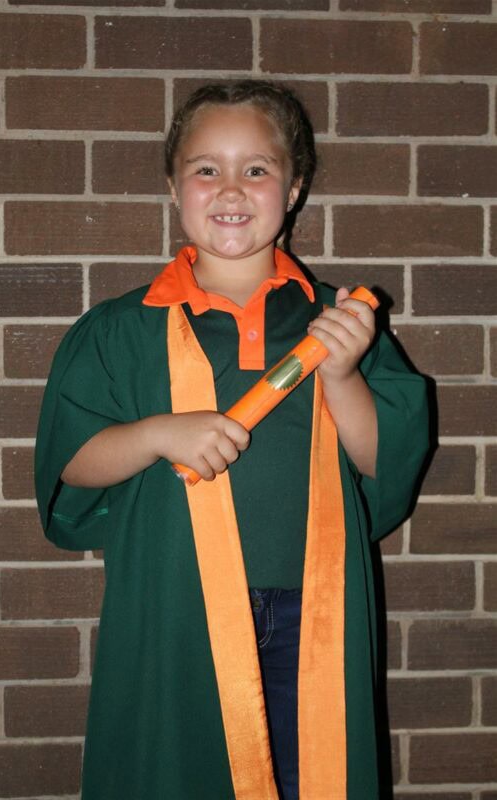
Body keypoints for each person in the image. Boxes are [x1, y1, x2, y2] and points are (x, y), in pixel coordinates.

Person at [35, 80, 428, 800]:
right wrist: (157, 434)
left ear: (294, 187)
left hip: (313, 614)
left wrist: (341, 374)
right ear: (172, 185)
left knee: (309, 777)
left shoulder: (336, 323)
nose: (231, 189)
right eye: (206, 168)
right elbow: (73, 464)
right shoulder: (122, 330)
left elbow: (385, 463)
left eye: (256, 168)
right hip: (175, 607)